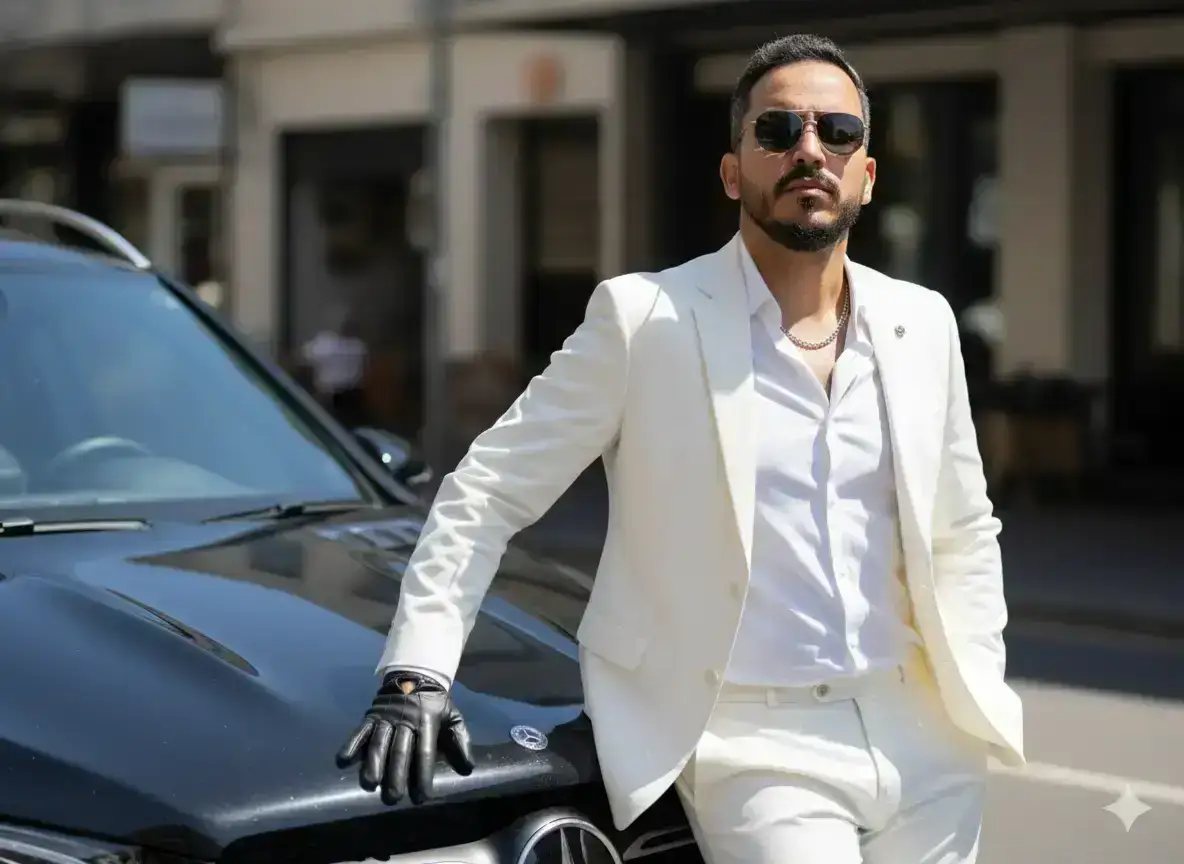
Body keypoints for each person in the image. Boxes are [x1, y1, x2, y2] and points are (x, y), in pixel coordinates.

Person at [336, 33, 1024, 864]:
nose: (810, 150)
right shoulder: (644, 320)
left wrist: (978, 675)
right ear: (734, 172)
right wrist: (416, 671)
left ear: (867, 175)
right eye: (778, 130)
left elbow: (964, 526)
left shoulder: (924, 321)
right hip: (759, 750)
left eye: (838, 132)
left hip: (927, 742)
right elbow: (487, 491)